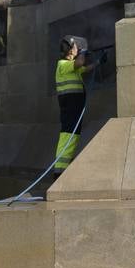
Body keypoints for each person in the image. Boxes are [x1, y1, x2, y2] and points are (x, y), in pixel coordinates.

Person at [54, 35, 96, 177]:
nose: (77, 50)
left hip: (74, 107)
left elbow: (85, 68)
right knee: (68, 136)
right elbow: (79, 63)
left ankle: (64, 167)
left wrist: (98, 63)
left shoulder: (71, 67)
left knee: (72, 136)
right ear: (71, 50)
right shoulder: (63, 65)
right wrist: (83, 51)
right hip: (70, 107)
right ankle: (60, 170)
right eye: (76, 48)